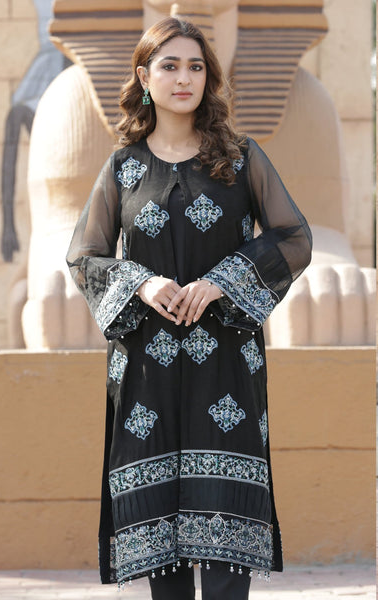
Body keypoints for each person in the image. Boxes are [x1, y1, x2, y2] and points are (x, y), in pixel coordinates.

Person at [66, 16, 312, 600]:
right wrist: (141, 282)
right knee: (163, 560)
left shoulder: (241, 159)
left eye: (196, 67)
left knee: (226, 541)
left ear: (208, 77)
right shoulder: (123, 168)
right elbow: (84, 257)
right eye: (170, 66)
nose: (184, 78)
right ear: (144, 77)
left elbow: (294, 237)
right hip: (146, 376)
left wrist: (224, 281)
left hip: (225, 367)